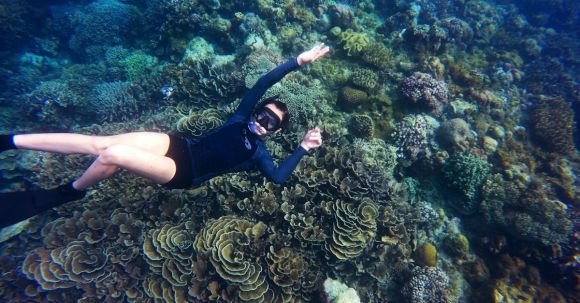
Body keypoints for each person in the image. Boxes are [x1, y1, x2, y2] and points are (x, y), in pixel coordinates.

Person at [0, 43, 331, 228]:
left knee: (112, 156)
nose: (263, 123)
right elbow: (262, 84)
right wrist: (296, 61)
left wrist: (302, 147)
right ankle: (11, 141)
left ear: (275, 133)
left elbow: (277, 177)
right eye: (263, 115)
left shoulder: (258, 153)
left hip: (184, 173)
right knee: (99, 143)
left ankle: (68, 192)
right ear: (255, 111)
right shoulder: (240, 116)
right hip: (178, 145)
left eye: (271, 124)